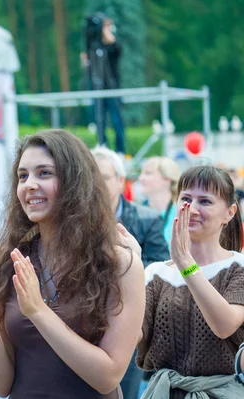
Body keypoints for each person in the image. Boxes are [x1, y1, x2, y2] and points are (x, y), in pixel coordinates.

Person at [0, 130, 145, 398]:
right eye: (22, 176)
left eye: (44, 173)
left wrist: (39, 313)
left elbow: (108, 376)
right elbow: (0, 384)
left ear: (75, 181)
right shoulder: (9, 263)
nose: (29, 184)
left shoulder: (119, 263)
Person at [137, 165, 244, 398]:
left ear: (230, 212)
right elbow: (133, 335)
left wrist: (185, 263)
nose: (192, 209)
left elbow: (224, 326)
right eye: (186, 199)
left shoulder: (239, 268)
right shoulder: (156, 274)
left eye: (205, 201)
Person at [93, 147, 170, 267]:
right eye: (91, 178)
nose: (97, 184)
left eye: (104, 178)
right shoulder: (75, 221)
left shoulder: (149, 219)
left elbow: (161, 268)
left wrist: (129, 262)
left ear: (121, 181)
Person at [82, 13, 126, 154]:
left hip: (112, 89)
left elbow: (118, 49)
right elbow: (90, 68)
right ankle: (103, 148)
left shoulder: (112, 47)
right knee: (99, 120)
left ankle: (120, 151)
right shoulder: (93, 47)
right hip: (97, 90)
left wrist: (107, 34)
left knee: (116, 120)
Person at [138, 157, 181, 244]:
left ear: (167, 179)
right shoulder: (136, 213)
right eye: (141, 173)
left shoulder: (181, 214)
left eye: (148, 173)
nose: (140, 178)